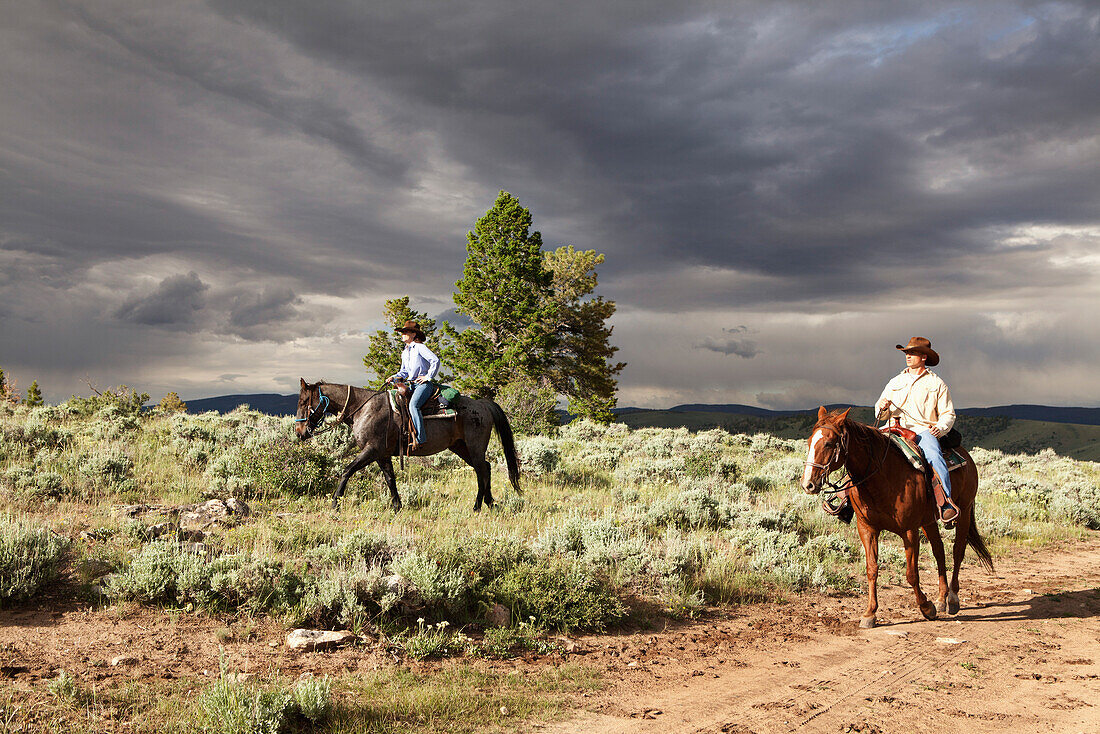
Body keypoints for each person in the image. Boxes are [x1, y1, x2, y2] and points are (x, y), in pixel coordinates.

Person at [875, 336, 959, 524]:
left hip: (922, 430)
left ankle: (945, 503)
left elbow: (948, 414)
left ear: (924, 357)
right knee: (866, 446)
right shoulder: (895, 381)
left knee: (934, 456)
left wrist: (940, 428)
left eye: (912, 353)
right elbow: (881, 415)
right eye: (906, 353)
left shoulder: (937, 384)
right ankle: (843, 497)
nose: (908, 356)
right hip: (894, 427)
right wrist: (882, 407)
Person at [385, 320, 440, 450]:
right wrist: (394, 377)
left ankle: (421, 439)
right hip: (411, 385)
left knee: (413, 406)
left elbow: (435, 360)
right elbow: (404, 371)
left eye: (405, 332)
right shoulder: (405, 352)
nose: (402, 334)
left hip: (423, 385)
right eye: (402, 332)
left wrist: (428, 377)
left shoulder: (420, 347)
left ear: (414, 334)